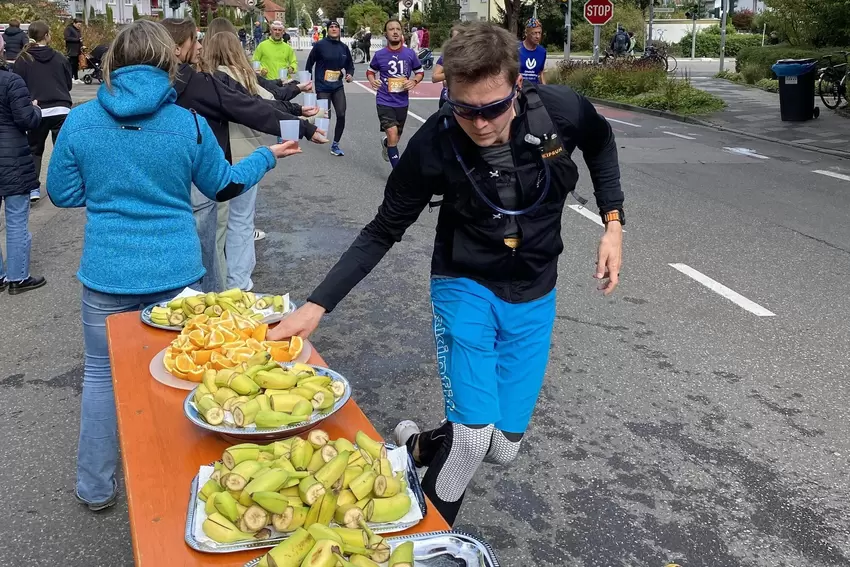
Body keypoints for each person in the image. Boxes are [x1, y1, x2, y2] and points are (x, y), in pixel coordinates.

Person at [267, 21, 624, 525]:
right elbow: (382, 229)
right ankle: (423, 545)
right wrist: (315, 304)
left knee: (502, 448)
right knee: (473, 438)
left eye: (493, 109)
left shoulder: (560, 111)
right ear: (448, 95)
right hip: (465, 282)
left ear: (517, 86)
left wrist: (613, 222)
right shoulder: (434, 143)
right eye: (464, 110)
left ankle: (418, 445)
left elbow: (603, 144)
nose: (479, 124)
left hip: (536, 290)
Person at [46, 20, 301, 512]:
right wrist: (267, 156)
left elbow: (62, 192)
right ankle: (176, 483)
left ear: (112, 64)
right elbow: (223, 183)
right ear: (170, 63)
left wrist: (108, 194)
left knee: (101, 376)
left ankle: (95, 486)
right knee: (178, 378)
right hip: (176, 276)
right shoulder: (187, 123)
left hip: (106, 273)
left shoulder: (81, 121)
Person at [162, 17, 325, 292]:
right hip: (212, 173)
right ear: (177, 48)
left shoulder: (138, 87)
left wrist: (299, 119)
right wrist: (303, 127)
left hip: (165, 178)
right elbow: (251, 106)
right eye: (194, 40)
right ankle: (221, 299)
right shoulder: (199, 82)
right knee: (215, 241)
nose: (200, 45)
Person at [0, 47, 46, 295]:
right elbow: (27, 120)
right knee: (16, 219)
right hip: (12, 160)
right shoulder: (11, 81)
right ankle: (18, 278)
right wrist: (35, 108)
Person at [13, 20, 73, 204]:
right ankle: (62, 187)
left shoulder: (22, 59)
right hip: (61, 108)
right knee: (60, 150)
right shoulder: (60, 57)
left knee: (35, 150)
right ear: (47, 35)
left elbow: (18, 86)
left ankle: (33, 189)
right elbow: (68, 83)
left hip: (36, 109)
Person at [366, 19, 423, 169]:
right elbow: (370, 71)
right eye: (391, 29)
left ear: (402, 33)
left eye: (398, 29)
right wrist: (373, 81)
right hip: (384, 100)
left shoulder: (410, 54)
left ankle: (387, 145)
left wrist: (414, 81)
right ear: (386, 34)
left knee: (395, 138)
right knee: (392, 134)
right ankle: (397, 174)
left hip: (402, 102)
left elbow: (420, 72)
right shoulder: (380, 55)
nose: (395, 31)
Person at [305, 20, 353, 157]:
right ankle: (312, 131)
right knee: (325, 116)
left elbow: (350, 65)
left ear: (339, 30)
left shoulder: (344, 48)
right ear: (327, 30)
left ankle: (335, 144)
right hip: (322, 87)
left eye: (336, 27)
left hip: (337, 86)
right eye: (331, 27)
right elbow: (309, 64)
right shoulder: (320, 45)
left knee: (342, 114)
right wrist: (308, 83)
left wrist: (350, 74)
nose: (333, 29)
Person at [432, 26, 461, 109]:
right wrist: (452, 74)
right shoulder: (446, 56)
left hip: (465, 97)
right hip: (448, 97)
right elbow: (435, 78)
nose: (459, 41)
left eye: (461, 37)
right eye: (456, 38)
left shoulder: (471, 55)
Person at [519, 17, 546, 85]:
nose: (538, 36)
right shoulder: (516, 49)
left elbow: (541, 73)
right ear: (526, 33)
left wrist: (546, 90)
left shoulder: (542, 52)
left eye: (539, 33)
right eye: (534, 33)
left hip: (534, 90)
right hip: (519, 89)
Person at [64, 18, 83, 83]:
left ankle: (76, 77)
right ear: (74, 23)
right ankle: (71, 77)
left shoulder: (78, 30)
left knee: (76, 65)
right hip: (71, 50)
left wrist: (82, 45)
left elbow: (80, 39)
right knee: (71, 64)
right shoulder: (69, 29)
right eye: (78, 24)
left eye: (80, 25)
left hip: (77, 50)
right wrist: (77, 40)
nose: (79, 26)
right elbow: (67, 38)